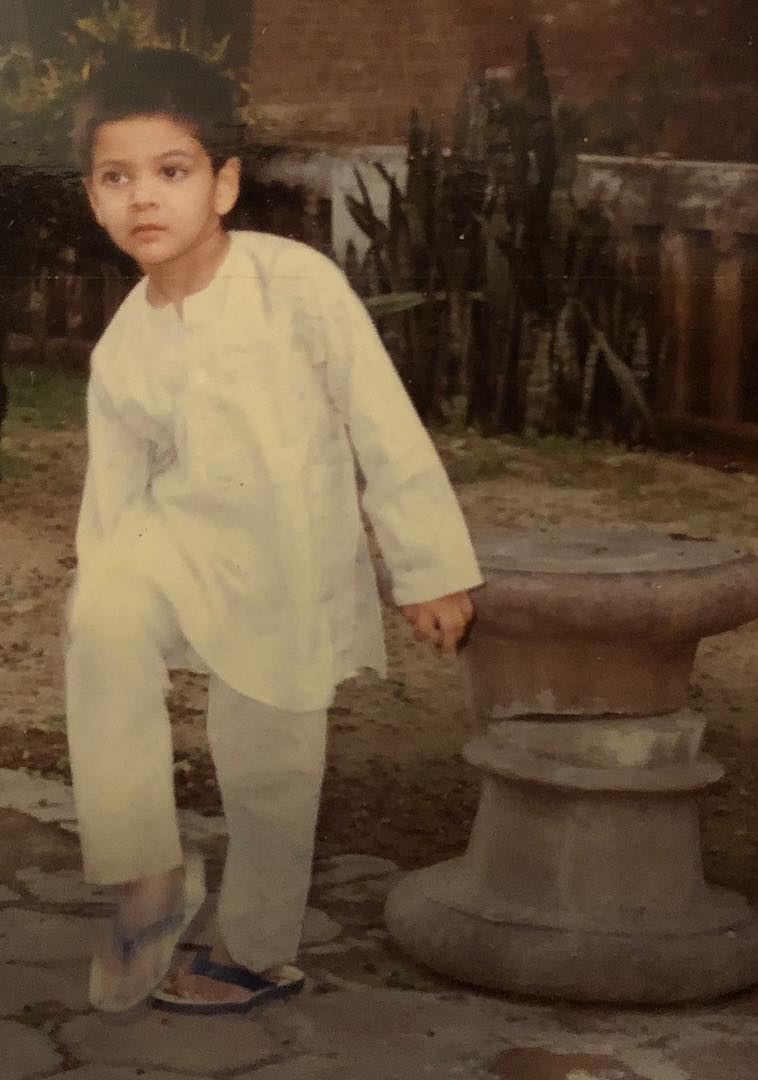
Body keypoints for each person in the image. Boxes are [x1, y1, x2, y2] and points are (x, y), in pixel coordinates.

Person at [64, 47, 482, 1015]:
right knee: (103, 616)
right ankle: (146, 879)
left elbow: (383, 424)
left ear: (223, 184)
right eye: (116, 178)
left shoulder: (295, 283)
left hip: (290, 564)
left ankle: (255, 953)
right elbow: (111, 498)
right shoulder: (124, 344)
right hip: (177, 552)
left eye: (171, 171)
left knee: (269, 764)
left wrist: (428, 568)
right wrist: (107, 589)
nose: (143, 197)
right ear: (92, 199)